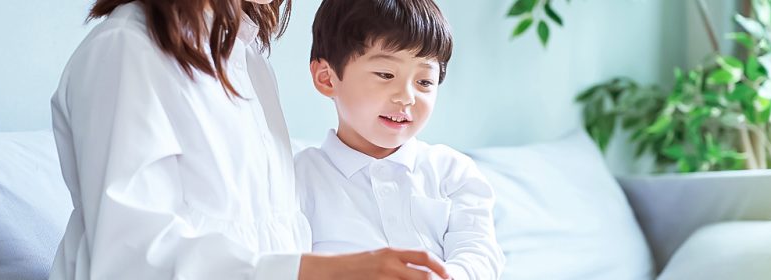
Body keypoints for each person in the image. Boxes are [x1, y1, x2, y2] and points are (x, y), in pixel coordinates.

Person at [49, 0, 450, 279]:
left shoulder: (249, 63)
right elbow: (128, 260)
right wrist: (320, 272)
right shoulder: (126, 50)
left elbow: (272, 233)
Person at [295, 0, 505, 279]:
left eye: (424, 82)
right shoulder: (297, 178)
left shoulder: (453, 172)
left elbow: (480, 254)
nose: (407, 97)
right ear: (327, 78)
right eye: (385, 74)